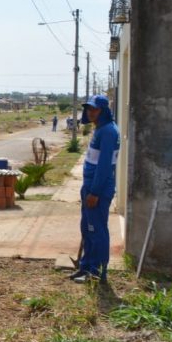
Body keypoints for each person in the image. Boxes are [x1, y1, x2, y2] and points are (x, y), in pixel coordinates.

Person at [70, 95, 119, 283]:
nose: (90, 112)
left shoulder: (108, 131)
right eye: (88, 108)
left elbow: (105, 166)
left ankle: (97, 270)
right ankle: (86, 266)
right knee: (87, 228)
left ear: (104, 110)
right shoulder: (100, 129)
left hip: (97, 189)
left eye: (95, 109)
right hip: (89, 186)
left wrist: (95, 192)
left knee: (96, 229)